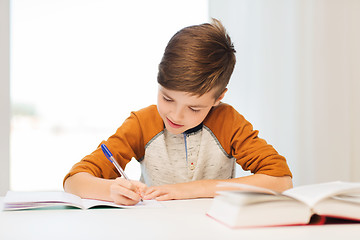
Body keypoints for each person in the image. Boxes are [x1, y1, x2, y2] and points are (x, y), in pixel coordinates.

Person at [63, 19, 292, 206]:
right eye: (167, 98)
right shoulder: (142, 124)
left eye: (194, 108)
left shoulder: (228, 122)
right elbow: (74, 181)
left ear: (218, 98)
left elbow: (281, 181)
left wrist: (192, 190)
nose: (175, 115)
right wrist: (110, 189)